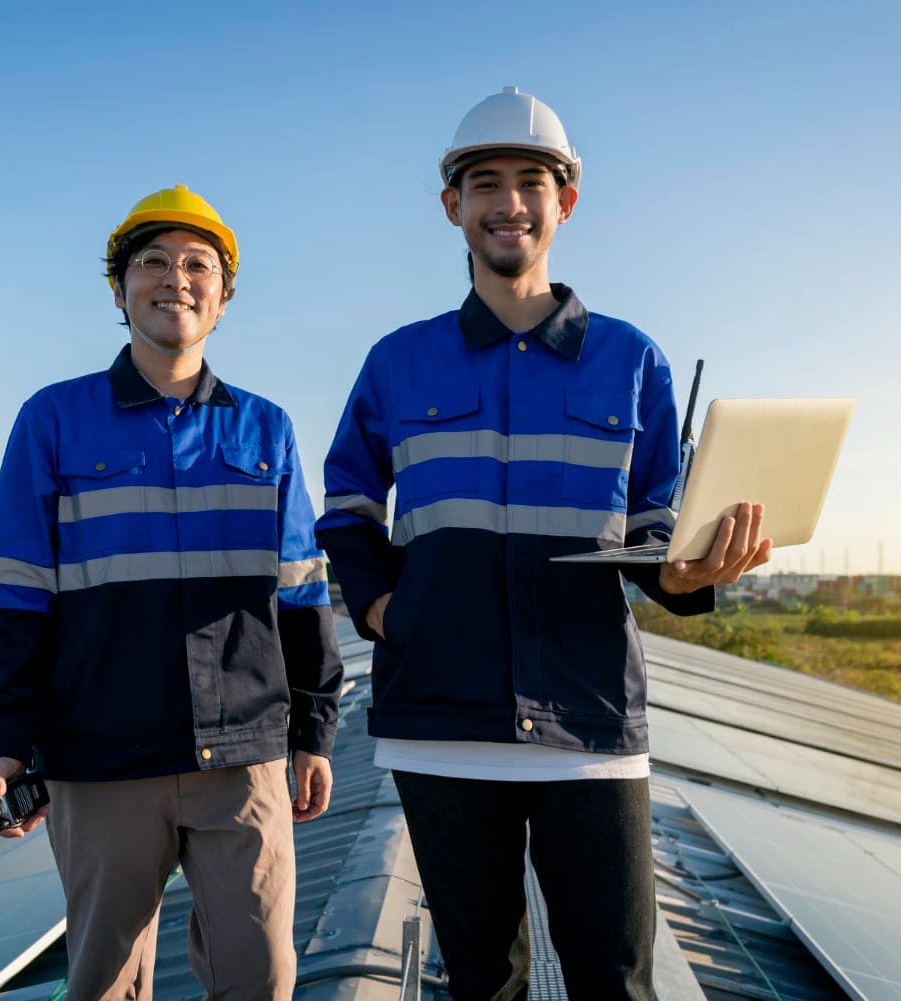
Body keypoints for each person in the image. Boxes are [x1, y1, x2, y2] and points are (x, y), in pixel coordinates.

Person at [316, 88, 770, 999]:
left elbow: (657, 530)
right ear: (453, 206)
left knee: (615, 980)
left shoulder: (631, 359)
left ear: (568, 200)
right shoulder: (398, 362)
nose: (509, 202)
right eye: (484, 183)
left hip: (590, 722)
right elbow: (347, 502)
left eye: (533, 181)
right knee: (482, 983)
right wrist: (381, 605)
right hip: (442, 723)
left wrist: (691, 572)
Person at [0, 184, 344, 1000]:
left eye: (199, 264)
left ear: (224, 298)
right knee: (104, 984)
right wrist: (3, 738)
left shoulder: (265, 430)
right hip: (101, 762)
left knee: (261, 980)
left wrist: (314, 727)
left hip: (242, 761)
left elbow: (303, 594)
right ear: (118, 288)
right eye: (153, 262)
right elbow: (9, 594)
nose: (177, 279)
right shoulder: (53, 421)